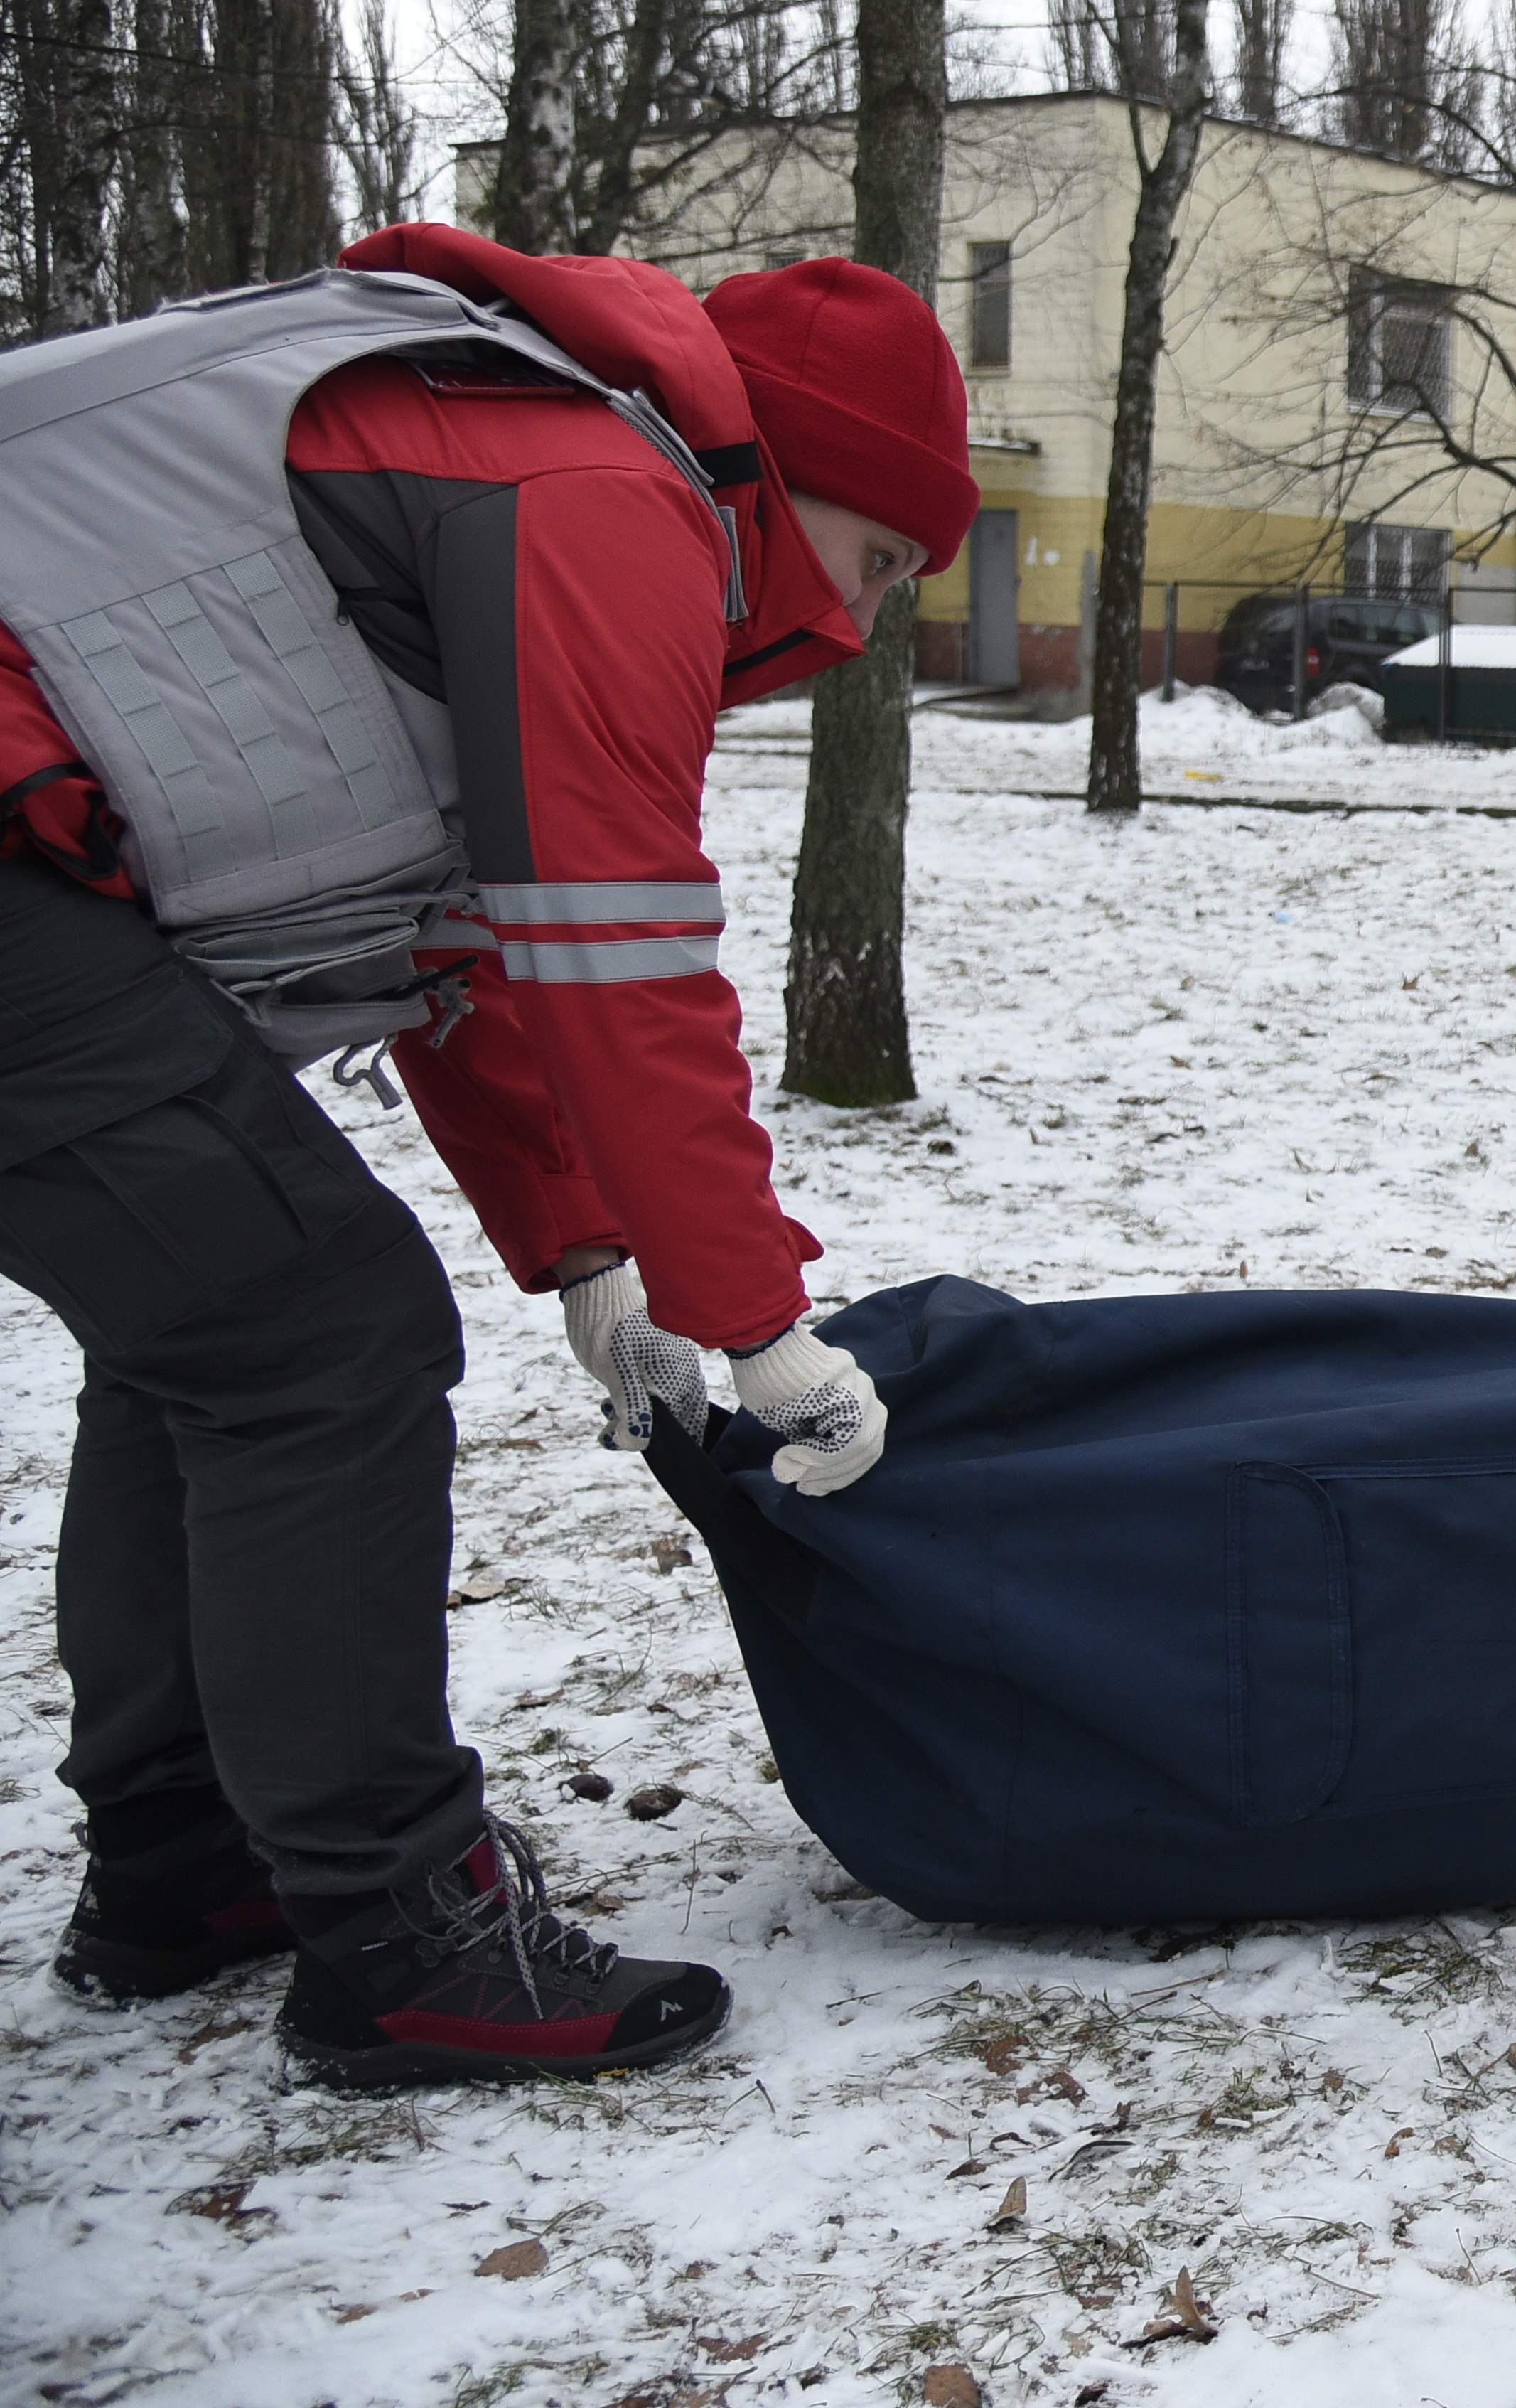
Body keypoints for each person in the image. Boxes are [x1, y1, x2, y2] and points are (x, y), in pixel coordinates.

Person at [0, 226, 981, 2089]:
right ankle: (394, 1931)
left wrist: (592, 1249)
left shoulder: (519, 437)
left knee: (211, 1310)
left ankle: (191, 1857)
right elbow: (615, 937)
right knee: (317, 1332)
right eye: (871, 560)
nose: (852, 627)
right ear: (788, 474)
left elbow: (466, 944)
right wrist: (752, 1318)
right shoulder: (602, 488)